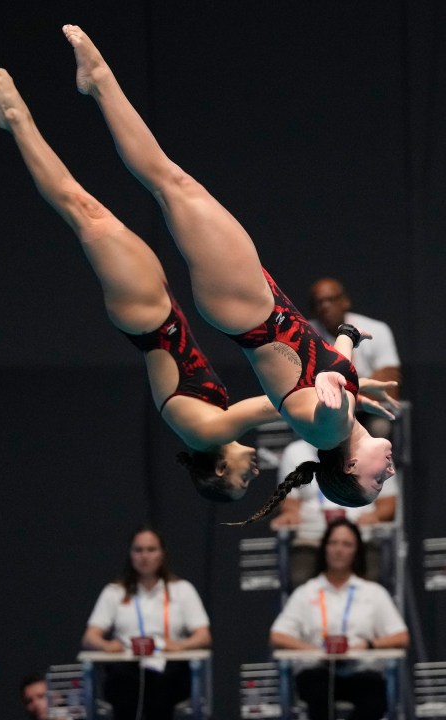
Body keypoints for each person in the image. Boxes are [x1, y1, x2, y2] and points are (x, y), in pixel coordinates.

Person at [58, 25, 399, 522]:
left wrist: (333, 392)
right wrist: (347, 340)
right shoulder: (340, 423)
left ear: (348, 465)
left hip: (250, 311)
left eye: (373, 480)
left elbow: (321, 404)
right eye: (383, 482)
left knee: (170, 183)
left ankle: (100, 80)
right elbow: (333, 370)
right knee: (173, 184)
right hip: (254, 304)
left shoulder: (329, 430)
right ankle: (99, 82)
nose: (387, 473)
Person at [0, 64, 288, 505]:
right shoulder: (212, 424)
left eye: (244, 482)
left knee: (82, 210)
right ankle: (19, 118)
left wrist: (347, 391)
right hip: (156, 314)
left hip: (148, 319)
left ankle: (16, 119)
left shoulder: (207, 432)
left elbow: (277, 403)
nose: (255, 473)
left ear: (221, 468)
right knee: (86, 209)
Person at [270, 519, 409, 720]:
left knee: (377, 697)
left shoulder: (373, 593)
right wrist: (314, 651)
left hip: (360, 671)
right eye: (333, 543)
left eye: (346, 544)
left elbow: (401, 637)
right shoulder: (307, 592)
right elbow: (278, 635)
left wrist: (368, 645)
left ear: (356, 551)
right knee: (316, 690)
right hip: (319, 670)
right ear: (324, 547)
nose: (339, 549)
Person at [82, 526, 211, 720]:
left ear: (162, 554)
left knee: (160, 688)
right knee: (122, 684)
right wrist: (105, 645)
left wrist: (181, 645)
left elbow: (203, 636)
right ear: (130, 554)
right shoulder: (114, 592)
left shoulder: (181, 590)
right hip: (129, 667)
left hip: (168, 668)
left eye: (151, 550)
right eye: (138, 550)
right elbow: (90, 636)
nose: (144, 556)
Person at [270, 438, 398, 586]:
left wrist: (376, 515)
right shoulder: (295, 452)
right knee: (300, 578)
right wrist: (291, 515)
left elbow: (388, 503)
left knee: (372, 580)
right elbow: (290, 504)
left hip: (360, 538)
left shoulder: (376, 451)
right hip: (312, 539)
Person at [309, 277, 401, 438]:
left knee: (380, 427)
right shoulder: (307, 336)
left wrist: (341, 393)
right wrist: (364, 385)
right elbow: (305, 392)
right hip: (327, 415)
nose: (325, 306)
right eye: (319, 302)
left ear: (345, 301)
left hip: (365, 410)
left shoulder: (376, 330)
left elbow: (389, 387)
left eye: (331, 300)